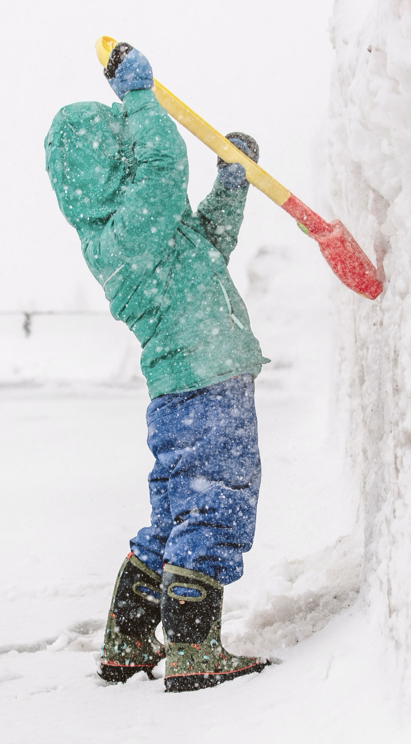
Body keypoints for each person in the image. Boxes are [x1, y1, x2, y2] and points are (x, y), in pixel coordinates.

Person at [44, 43, 270, 693]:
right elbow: (166, 165)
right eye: (123, 142)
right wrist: (139, 96)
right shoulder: (122, 228)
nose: (136, 145)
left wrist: (231, 184)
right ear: (106, 164)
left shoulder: (145, 227)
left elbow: (208, 247)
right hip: (205, 385)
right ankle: (195, 651)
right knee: (215, 504)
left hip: (187, 392)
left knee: (176, 516)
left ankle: (128, 639)